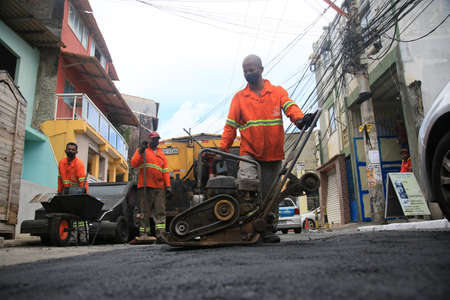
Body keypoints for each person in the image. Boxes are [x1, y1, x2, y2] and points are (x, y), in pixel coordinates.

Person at [218, 54, 315, 243]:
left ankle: (268, 229)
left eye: (251, 69)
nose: (248, 73)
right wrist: (223, 149)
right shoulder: (239, 98)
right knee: (247, 186)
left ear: (261, 70)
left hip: (273, 155)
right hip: (249, 154)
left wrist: (300, 120)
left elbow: (290, 107)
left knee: (271, 194)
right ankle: (245, 226)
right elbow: (230, 127)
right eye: (245, 71)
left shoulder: (277, 92)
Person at [130, 131, 171, 241]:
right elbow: (134, 163)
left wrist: (168, 186)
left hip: (159, 187)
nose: (156, 141)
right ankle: (144, 233)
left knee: (160, 212)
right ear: (149, 140)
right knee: (145, 211)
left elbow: (165, 171)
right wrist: (140, 151)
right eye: (154, 139)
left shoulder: (161, 154)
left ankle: (161, 234)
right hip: (145, 186)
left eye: (157, 139)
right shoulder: (143, 151)